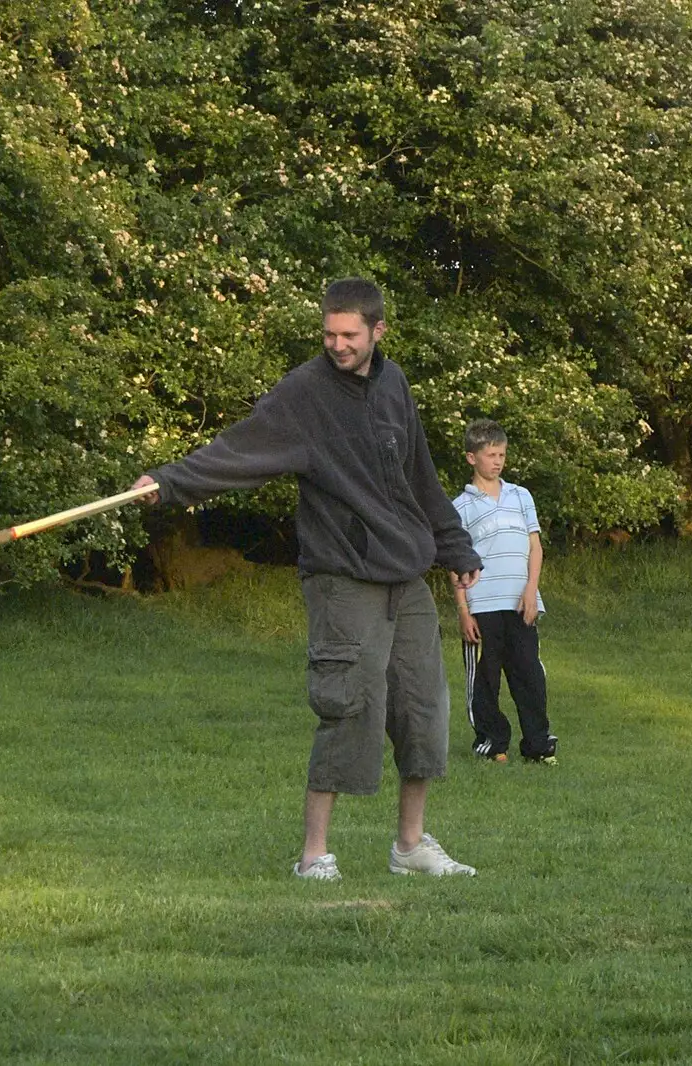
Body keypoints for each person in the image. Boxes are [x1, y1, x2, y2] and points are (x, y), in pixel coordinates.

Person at [133, 278, 482, 881]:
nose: (338, 345)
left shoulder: (394, 385)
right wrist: (170, 484)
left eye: (350, 335)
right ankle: (314, 855)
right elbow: (238, 451)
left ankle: (411, 846)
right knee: (347, 707)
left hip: (406, 574)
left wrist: (452, 542)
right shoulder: (304, 394)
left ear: (378, 332)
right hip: (342, 576)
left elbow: (419, 473)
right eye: (329, 334)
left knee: (423, 710)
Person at [451, 419, 557, 765]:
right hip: (482, 604)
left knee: (529, 675)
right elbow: (456, 562)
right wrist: (464, 611)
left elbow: (535, 547)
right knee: (485, 680)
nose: (498, 461)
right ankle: (493, 743)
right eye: (491, 455)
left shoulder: (520, 496)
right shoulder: (460, 507)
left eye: (502, 454)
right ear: (472, 458)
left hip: (519, 602)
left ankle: (538, 746)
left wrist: (531, 591)